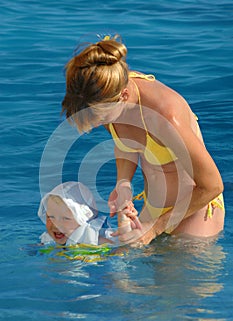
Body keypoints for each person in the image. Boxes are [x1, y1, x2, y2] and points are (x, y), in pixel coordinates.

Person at [61, 34, 225, 246]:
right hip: (153, 208)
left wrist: (155, 228)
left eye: (101, 119)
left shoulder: (166, 116)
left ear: (124, 96)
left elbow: (212, 185)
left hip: (194, 210)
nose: (96, 125)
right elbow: (126, 143)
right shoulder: (105, 92)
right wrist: (123, 183)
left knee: (182, 279)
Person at [38, 181, 114, 246]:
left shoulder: (96, 240)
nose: (56, 225)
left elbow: (116, 250)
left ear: (82, 219)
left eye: (65, 218)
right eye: (51, 217)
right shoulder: (49, 240)